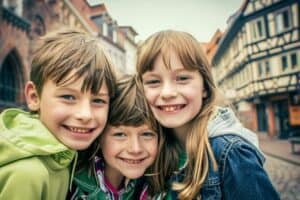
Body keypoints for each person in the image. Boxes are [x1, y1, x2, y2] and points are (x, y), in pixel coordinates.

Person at [136, 30, 280, 199]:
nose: (167, 93)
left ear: (204, 87)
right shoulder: (151, 147)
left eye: (182, 78)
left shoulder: (231, 154)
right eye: (153, 81)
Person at [0, 28, 117, 200]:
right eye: (68, 97)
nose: (85, 115)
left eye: (98, 101)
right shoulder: (28, 175)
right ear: (34, 97)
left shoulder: (63, 153)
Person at [68, 75, 163, 199]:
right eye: (120, 134)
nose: (135, 149)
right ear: (99, 136)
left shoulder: (156, 185)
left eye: (147, 134)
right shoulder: (71, 187)